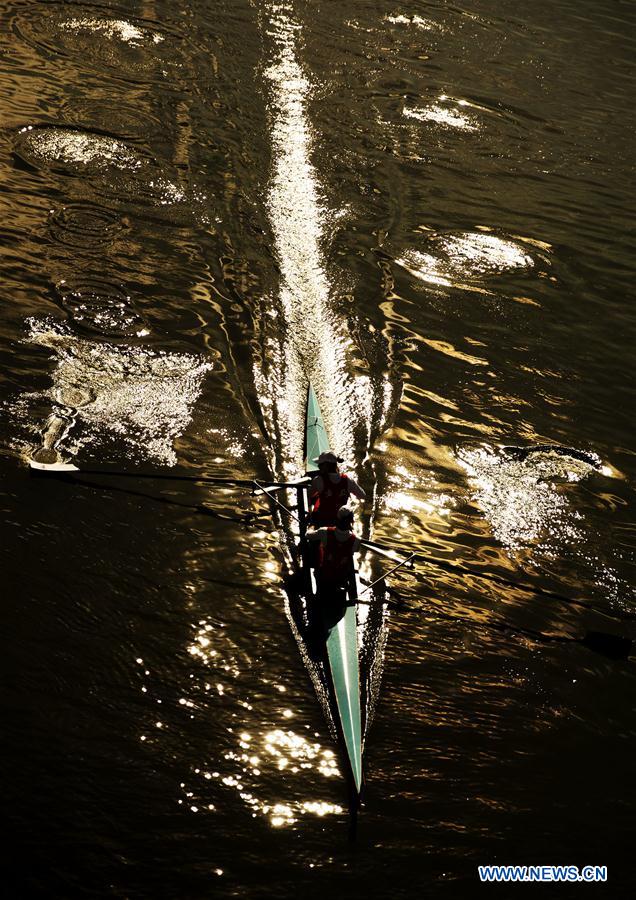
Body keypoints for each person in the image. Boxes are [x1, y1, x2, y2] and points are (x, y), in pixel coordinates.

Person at [306, 505, 361, 594]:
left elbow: (307, 535)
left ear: (337, 519)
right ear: (351, 521)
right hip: (341, 579)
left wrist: (311, 527)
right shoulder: (357, 540)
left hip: (324, 576)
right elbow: (355, 550)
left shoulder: (324, 531)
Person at [309, 450, 366, 527]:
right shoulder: (347, 480)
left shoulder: (318, 480)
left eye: (320, 465)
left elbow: (308, 495)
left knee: (316, 505)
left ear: (326, 466)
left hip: (324, 522)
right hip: (341, 522)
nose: (318, 467)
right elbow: (362, 495)